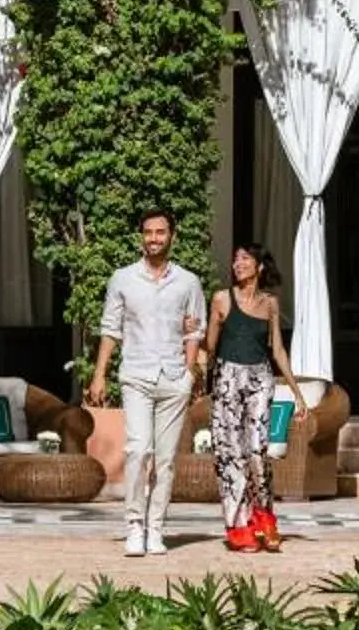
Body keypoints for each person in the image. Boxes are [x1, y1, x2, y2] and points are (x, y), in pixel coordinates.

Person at [85, 208, 205, 558]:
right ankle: (134, 526)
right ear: (142, 237)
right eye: (148, 233)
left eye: (160, 232)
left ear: (172, 236)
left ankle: (156, 528)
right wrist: (99, 375)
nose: (154, 239)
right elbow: (110, 329)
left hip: (173, 378)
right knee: (139, 450)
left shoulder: (188, 282)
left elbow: (194, 330)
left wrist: (188, 373)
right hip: (136, 375)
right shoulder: (122, 278)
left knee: (166, 459)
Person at [201, 242, 298, 551]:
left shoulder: (270, 303)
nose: (237, 264)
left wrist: (297, 392)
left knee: (257, 451)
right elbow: (210, 348)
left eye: (245, 259)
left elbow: (278, 350)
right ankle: (238, 524)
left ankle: (264, 514)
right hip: (228, 377)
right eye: (235, 259)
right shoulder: (220, 299)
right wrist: (197, 377)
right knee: (230, 454)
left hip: (260, 378)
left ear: (259, 267)